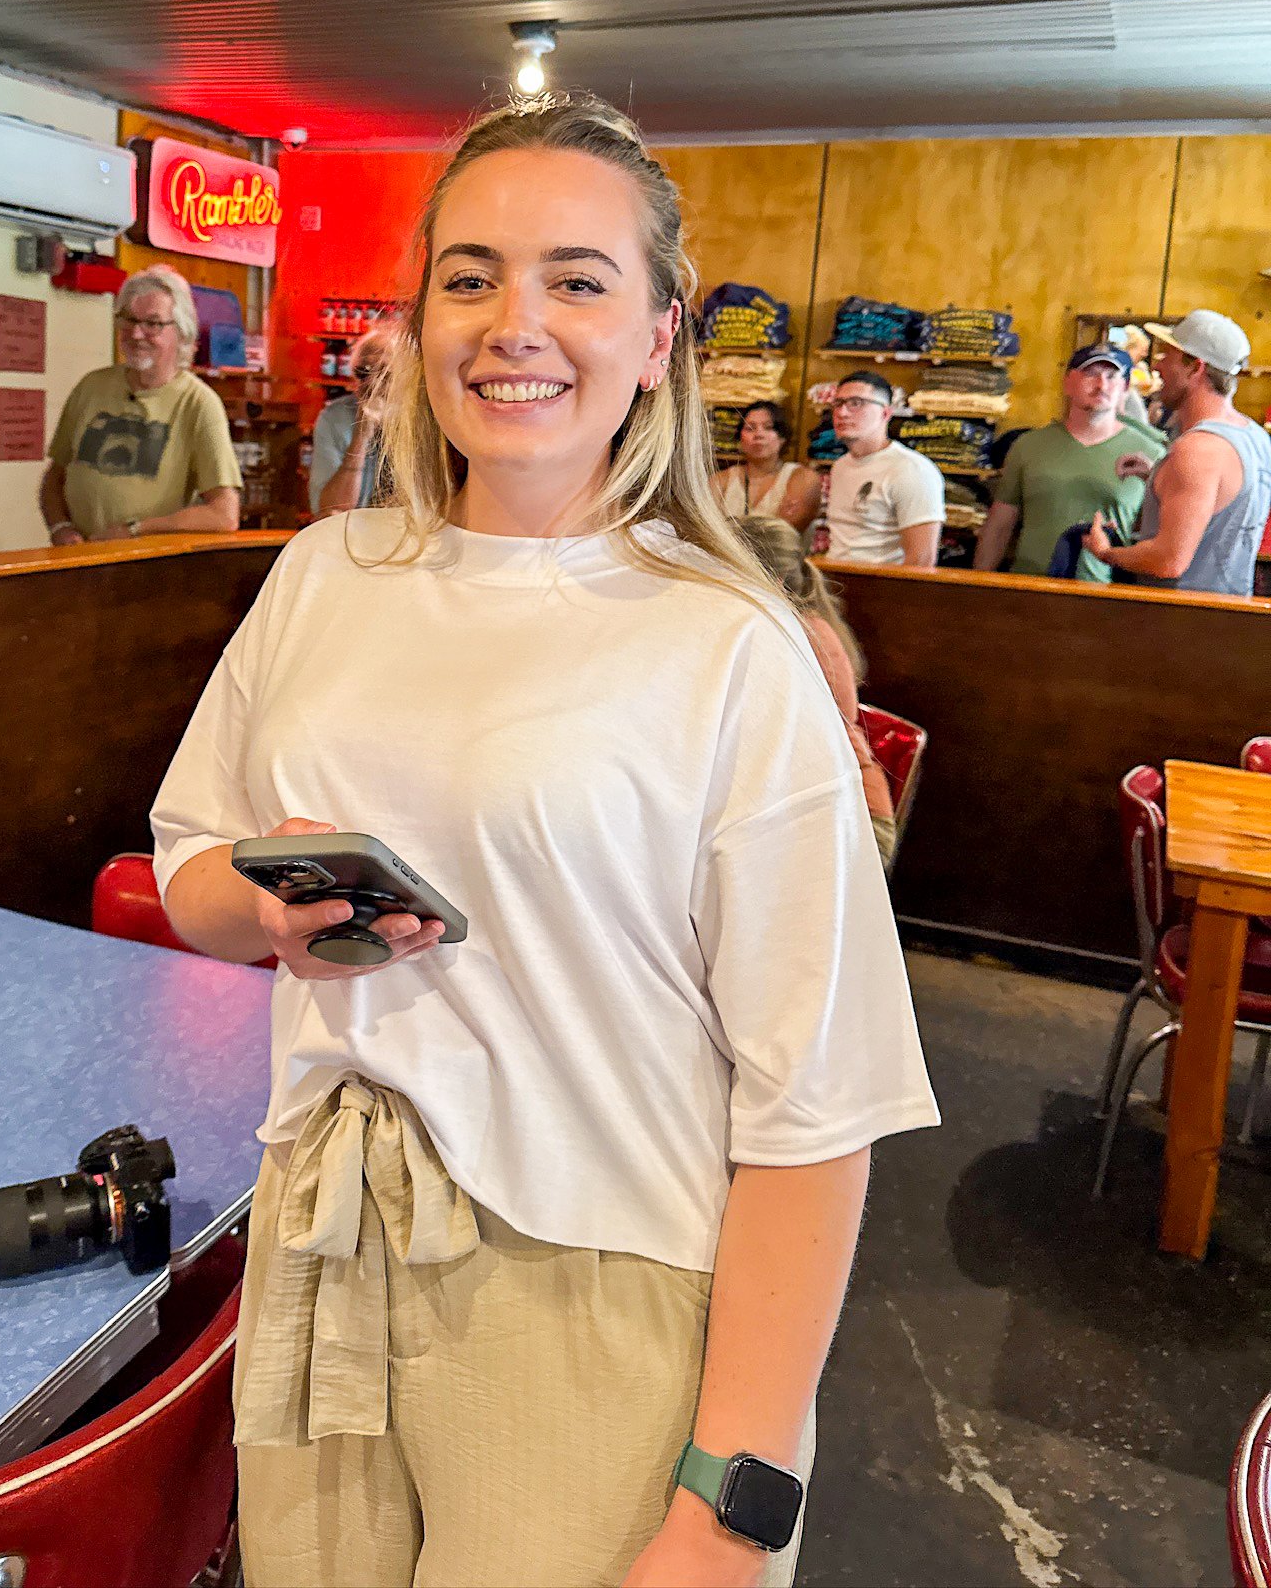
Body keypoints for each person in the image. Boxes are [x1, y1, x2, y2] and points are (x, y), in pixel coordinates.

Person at [152, 97, 938, 1588]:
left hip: (594, 1291)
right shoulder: (325, 574)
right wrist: (269, 913)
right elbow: (194, 852)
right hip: (326, 1245)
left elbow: (813, 1113)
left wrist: (729, 1507)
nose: (515, 322)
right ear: (419, 318)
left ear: (657, 339)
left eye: (577, 280)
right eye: (470, 275)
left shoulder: (729, 644)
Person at [736, 516, 897, 866]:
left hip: (855, 821)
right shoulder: (781, 626)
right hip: (816, 802)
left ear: (772, 581)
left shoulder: (801, 636)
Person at [41, 265, 241, 544]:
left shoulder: (198, 403)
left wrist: (136, 530)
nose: (136, 334)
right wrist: (60, 527)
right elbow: (55, 477)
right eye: (129, 320)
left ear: (182, 333)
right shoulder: (91, 387)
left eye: (153, 324)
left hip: (146, 571)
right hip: (80, 562)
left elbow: (224, 514)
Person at [1084, 309, 1271, 598]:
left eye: (1167, 356)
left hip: (1178, 628)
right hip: (1227, 623)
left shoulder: (1197, 450)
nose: (1156, 367)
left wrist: (1107, 552)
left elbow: (1168, 560)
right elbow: (1218, 504)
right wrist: (1158, 476)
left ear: (1195, 367)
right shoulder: (1256, 438)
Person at [973, 343, 1165, 583]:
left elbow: (1160, 535)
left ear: (1125, 387)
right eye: (1090, 373)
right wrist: (979, 586)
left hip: (1106, 598)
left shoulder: (1151, 453)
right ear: (1067, 382)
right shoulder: (1028, 446)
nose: (1101, 385)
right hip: (1029, 588)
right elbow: (999, 524)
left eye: (1112, 376)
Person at [824, 370, 944, 568]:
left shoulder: (911, 469)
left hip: (878, 588)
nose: (842, 413)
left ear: (885, 413)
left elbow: (921, 559)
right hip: (835, 583)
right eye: (838, 404)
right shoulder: (841, 465)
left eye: (856, 403)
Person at [308, 320, 399, 516]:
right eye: (363, 372)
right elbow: (329, 511)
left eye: (384, 372)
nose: (372, 382)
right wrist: (360, 437)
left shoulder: (428, 417)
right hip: (354, 537)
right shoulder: (334, 418)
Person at [711, 400, 823, 532]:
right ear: (740, 437)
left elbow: (783, 533)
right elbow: (708, 529)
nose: (758, 434)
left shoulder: (802, 478)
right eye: (750, 428)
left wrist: (729, 529)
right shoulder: (720, 481)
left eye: (768, 427)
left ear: (782, 438)